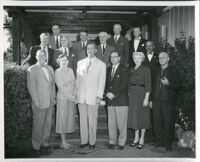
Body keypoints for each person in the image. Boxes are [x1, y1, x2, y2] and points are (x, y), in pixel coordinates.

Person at [76, 42, 106, 150]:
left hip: (93, 97)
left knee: (92, 120)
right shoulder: (80, 63)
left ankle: (92, 142)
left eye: (92, 48)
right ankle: (84, 141)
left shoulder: (101, 65)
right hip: (81, 96)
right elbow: (78, 80)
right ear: (86, 50)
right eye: (88, 48)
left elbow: (102, 82)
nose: (90, 50)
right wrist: (76, 95)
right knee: (82, 120)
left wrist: (99, 96)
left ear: (96, 50)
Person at [151, 52, 181, 151]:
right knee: (157, 122)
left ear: (168, 59)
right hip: (156, 100)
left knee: (168, 123)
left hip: (168, 101)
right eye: (159, 58)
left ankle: (168, 144)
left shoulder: (174, 70)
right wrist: (151, 100)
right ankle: (159, 141)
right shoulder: (155, 70)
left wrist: (168, 83)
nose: (161, 59)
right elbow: (152, 86)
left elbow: (178, 86)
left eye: (163, 57)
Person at [27, 49, 55, 152]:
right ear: (36, 57)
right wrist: (35, 101)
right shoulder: (32, 69)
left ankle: (45, 142)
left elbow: (52, 85)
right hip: (39, 101)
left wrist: (54, 98)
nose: (42, 57)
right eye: (39, 55)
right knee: (38, 124)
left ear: (46, 57)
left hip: (49, 101)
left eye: (43, 55)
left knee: (47, 123)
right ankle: (36, 145)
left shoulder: (50, 68)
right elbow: (31, 87)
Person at [105, 52, 129, 150]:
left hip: (121, 100)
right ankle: (112, 141)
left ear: (119, 58)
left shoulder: (125, 69)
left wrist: (113, 93)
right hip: (110, 99)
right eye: (111, 57)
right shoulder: (108, 69)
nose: (113, 58)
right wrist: (107, 93)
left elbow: (124, 84)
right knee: (111, 122)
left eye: (115, 57)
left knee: (121, 123)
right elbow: (104, 83)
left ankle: (121, 143)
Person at [128, 52, 151, 149]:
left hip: (142, 94)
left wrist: (146, 98)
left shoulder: (146, 69)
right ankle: (136, 137)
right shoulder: (131, 69)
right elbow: (128, 83)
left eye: (138, 58)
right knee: (134, 116)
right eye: (135, 58)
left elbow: (149, 85)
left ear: (142, 59)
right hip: (132, 95)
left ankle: (142, 138)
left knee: (143, 116)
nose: (136, 60)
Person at [55, 55, 76, 149]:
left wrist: (74, 95)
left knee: (68, 120)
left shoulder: (71, 70)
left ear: (68, 61)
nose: (64, 62)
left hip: (71, 98)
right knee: (62, 120)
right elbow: (61, 87)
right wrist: (70, 97)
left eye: (65, 60)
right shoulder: (57, 72)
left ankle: (65, 142)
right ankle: (63, 142)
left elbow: (75, 83)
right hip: (63, 99)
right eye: (62, 60)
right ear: (58, 62)